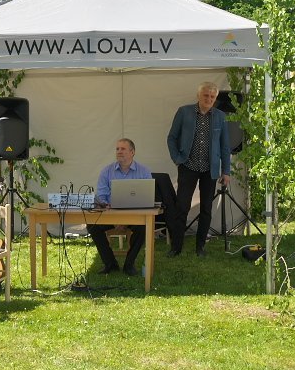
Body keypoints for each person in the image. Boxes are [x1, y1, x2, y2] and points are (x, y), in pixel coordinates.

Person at [166, 81, 231, 257]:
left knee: (206, 209)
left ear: (215, 98)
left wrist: (226, 171)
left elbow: (225, 146)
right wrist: (177, 158)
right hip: (188, 166)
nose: (209, 99)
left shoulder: (219, 116)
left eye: (212, 96)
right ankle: (176, 247)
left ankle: (200, 247)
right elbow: (172, 138)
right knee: (182, 207)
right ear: (198, 96)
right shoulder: (184, 112)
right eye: (206, 95)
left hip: (210, 170)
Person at [90, 139, 152, 275]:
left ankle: (129, 264)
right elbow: (101, 197)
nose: (119, 152)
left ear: (132, 152)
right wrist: (114, 219)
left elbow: (147, 199)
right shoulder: (106, 171)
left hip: (135, 217)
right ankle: (110, 263)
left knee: (143, 227)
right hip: (111, 215)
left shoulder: (144, 172)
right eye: (117, 149)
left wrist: (126, 220)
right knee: (92, 225)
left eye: (123, 149)